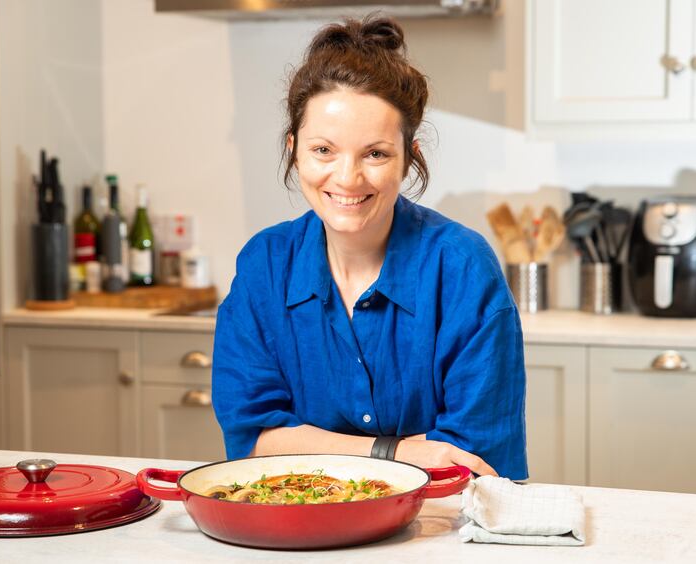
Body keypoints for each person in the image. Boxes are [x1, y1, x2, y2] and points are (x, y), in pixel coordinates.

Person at [212, 15, 527, 479]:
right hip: (304, 532)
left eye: (375, 153)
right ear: (294, 148)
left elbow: (469, 457)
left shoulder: (461, 267)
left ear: (409, 158)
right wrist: (395, 452)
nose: (347, 178)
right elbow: (254, 440)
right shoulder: (265, 264)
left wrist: (309, 443)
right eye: (324, 150)